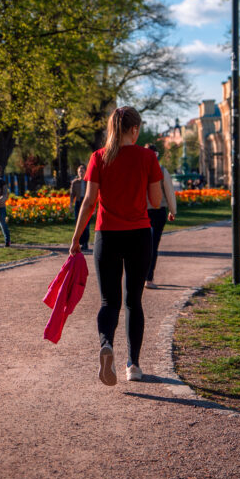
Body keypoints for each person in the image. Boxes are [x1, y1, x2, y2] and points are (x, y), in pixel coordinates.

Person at [70, 107, 163, 386]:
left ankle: (106, 343)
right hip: (138, 236)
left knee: (109, 301)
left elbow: (88, 202)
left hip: (106, 235)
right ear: (135, 130)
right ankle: (133, 365)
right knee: (134, 301)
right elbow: (156, 202)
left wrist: (76, 238)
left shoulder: (98, 157)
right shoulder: (148, 157)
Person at [143, 144, 176, 288]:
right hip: (156, 211)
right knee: (152, 246)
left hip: (144, 212)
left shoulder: (139, 169)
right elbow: (169, 191)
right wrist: (172, 210)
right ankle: (148, 278)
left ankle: (146, 277)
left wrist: (172, 210)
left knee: (145, 246)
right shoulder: (162, 170)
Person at [69, 165, 91, 251]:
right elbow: (72, 195)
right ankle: (80, 242)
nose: (81, 173)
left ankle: (85, 243)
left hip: (86, 202)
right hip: (78, 203)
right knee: (78, 223)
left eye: (82, 171)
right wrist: (71, 204)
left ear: (86, 172)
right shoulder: (75, 182)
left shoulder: (88, 181)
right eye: (79, 171)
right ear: (78, 173)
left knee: (86, 224)